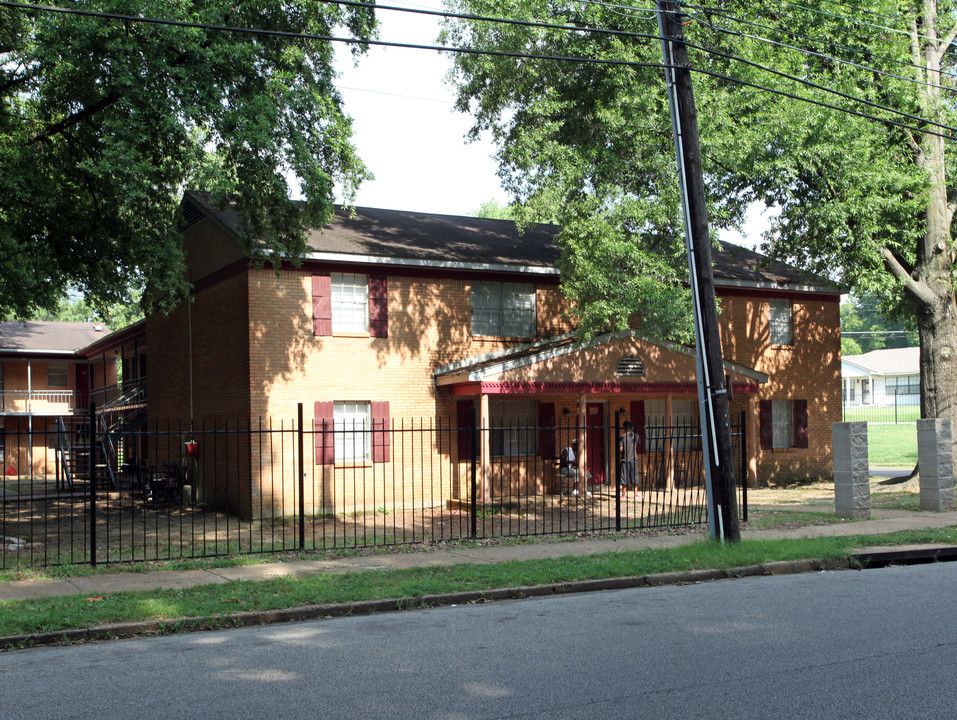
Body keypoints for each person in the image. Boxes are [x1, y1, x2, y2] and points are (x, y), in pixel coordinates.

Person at [618, 421, 642, 499]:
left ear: (624, 428)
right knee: (635, 476)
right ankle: (636, 494)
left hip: (625, 459)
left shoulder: (622, 437)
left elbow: (621, 449)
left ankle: (623, 494)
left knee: (624, 477)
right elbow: (637, 445)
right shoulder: (636, 436)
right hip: (634, 458)